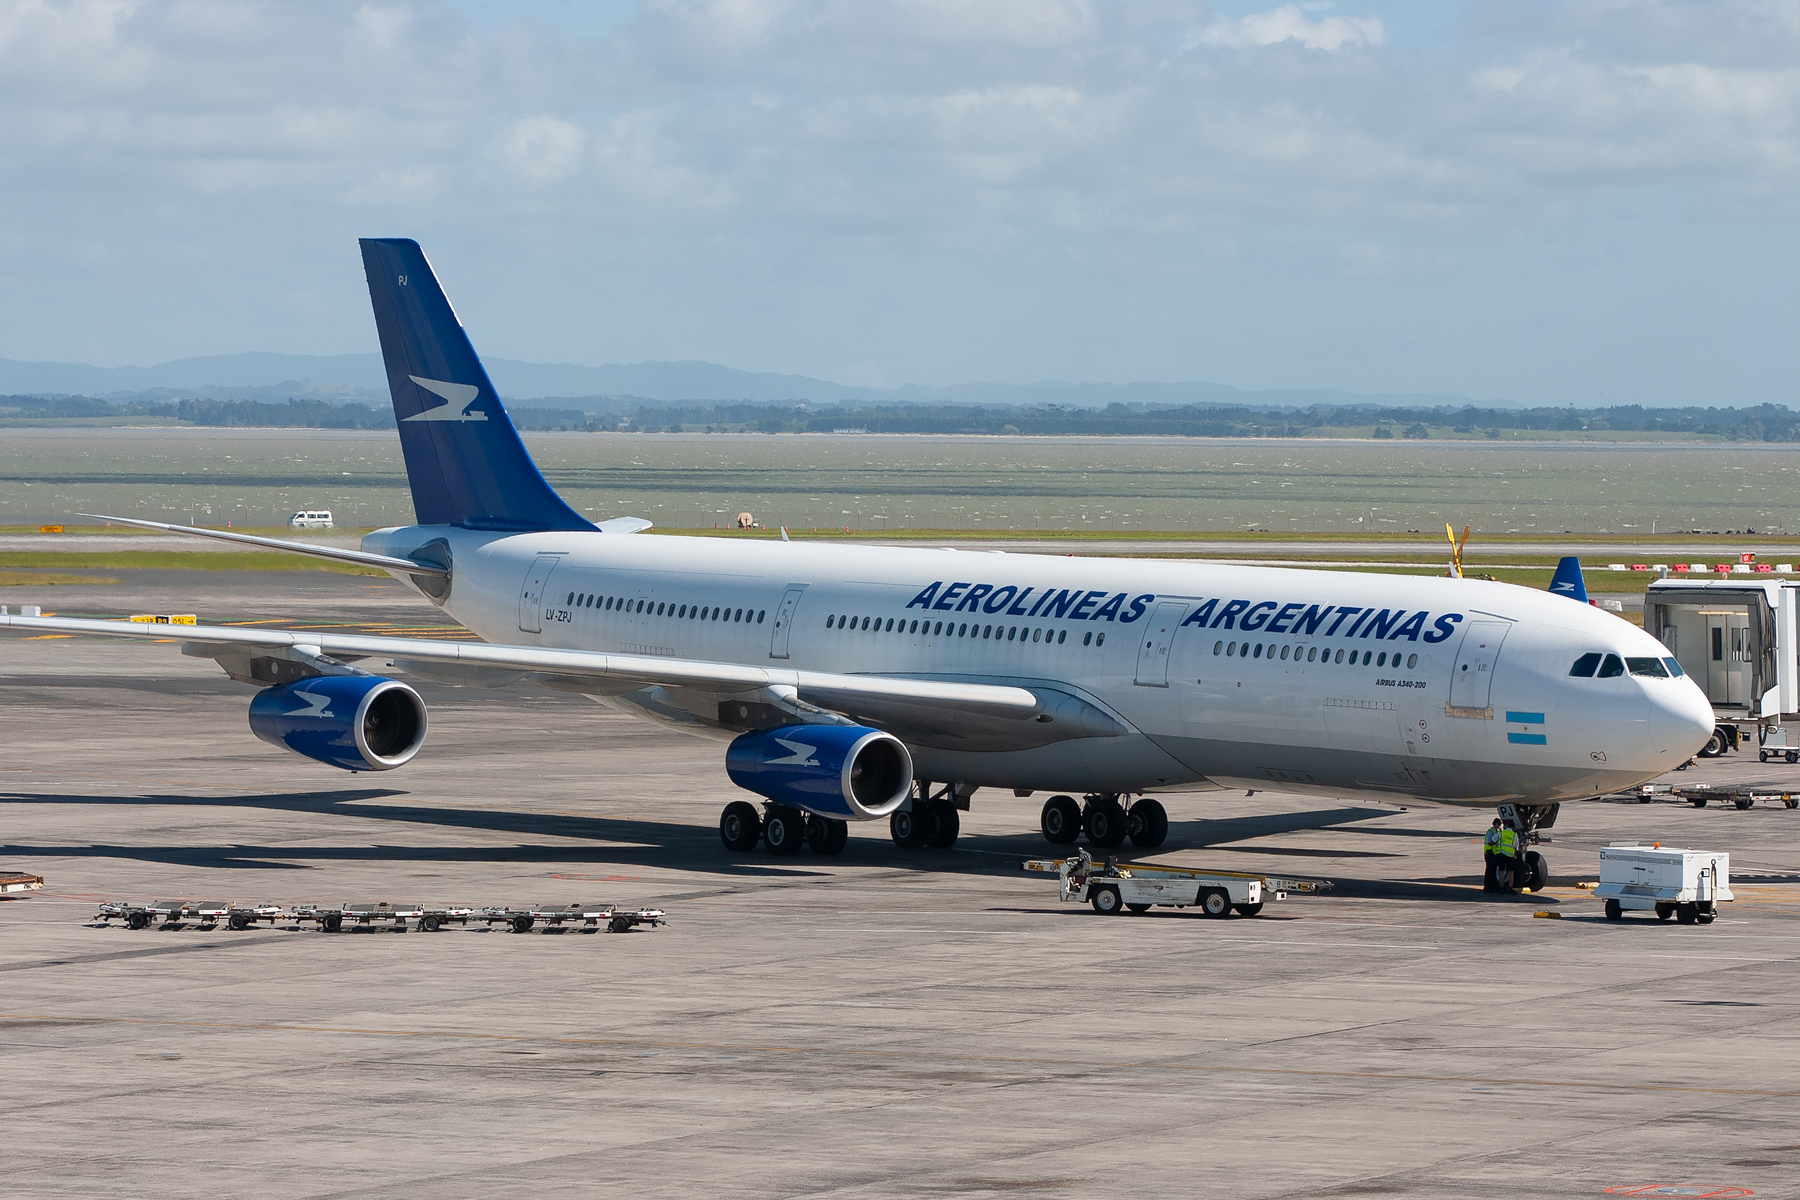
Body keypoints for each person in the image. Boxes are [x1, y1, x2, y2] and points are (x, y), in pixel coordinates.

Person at [1495, 822, 1520, 892]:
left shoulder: (1501, 833)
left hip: (1501, 854)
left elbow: (1493, 840)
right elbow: (1516, 848)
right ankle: (1510, 888)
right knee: (1510, 872)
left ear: (1506, 826)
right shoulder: (1515, 835)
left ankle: (1501, 888)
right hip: (1510, 856)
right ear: (1513, 828)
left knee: (1501, 872)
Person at [1483, 819, 1503, 892]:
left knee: (1493, 871)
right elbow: (1489, 843)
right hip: (1489, 853)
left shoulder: (1496, 831)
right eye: (1499, 824)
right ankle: (1487, 887)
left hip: (1493, 853)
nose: (1500, 826)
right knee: (1489, 871)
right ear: (1496, 824)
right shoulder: (1490, 831)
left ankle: (1491, 886)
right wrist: (1497, 842)